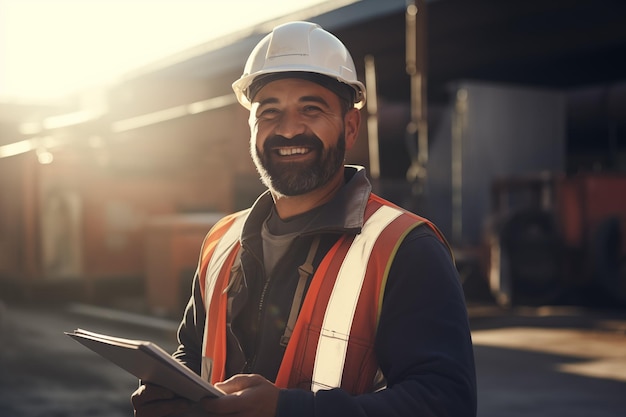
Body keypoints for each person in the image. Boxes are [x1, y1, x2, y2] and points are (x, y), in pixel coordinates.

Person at [132, 21, 477, 417]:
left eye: (311, 109)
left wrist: (288, 410)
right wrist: (172, 393)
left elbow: (445, 403)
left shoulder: (404, 247)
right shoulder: (221, 241)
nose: (289, 129)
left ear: (349, 127)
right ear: (251, 127)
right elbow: (194, 352)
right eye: (270, 112)